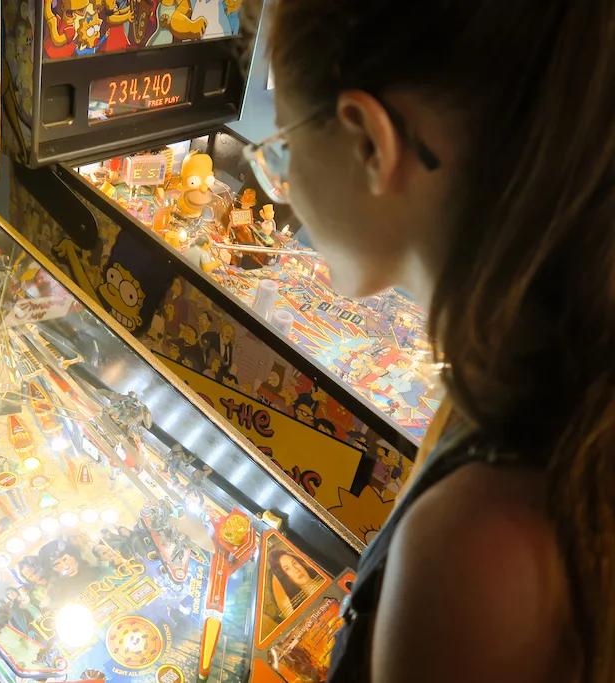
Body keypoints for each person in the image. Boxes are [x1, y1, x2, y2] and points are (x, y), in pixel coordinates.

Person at [251, 1, 614, 682]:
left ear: (369, 141)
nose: (286, 186)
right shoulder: (552, 370)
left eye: (284, 144)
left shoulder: (479, 547)